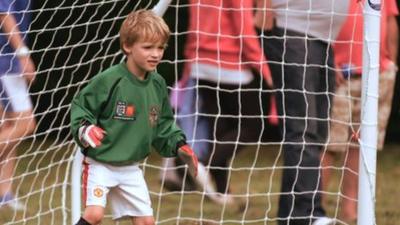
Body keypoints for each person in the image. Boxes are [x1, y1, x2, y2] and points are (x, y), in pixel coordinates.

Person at [70, 10, 198, 225]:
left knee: (146, 221)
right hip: (100, 163)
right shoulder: (110, 80)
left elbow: (164, 124)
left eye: (160, 48)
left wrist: (179, 144)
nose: (156, 54)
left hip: (131, 168)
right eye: (148, 47)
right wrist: (85, 129)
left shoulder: (157, 84)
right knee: (94, 215)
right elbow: (82, 106)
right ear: (128, 46)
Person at [161, 0, 274, 206]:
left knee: (219, 130)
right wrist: (266, 72)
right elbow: (244, 30)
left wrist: (189, 65)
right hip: (229, 64)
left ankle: (221, 191)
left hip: (200, 64)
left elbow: (194, 26)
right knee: (252, 127)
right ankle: (200, 164)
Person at [254, 0, 349, 224]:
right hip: (292, 29)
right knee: (302, 128)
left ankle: (294, 215)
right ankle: (306, 214)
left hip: (323, 39)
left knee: (318, 131)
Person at [321, 0, 399, 223]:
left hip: (376, 75)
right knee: (330, 144)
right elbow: (320, 20)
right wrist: (328, 60)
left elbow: (390, 19)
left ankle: (350, 210)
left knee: (362, 144)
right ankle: (315, 209)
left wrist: (390, 63)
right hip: (340, 75)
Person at [0, 0, 36, 210]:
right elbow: (3, 12)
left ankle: (4, 194)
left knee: (7, 126)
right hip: (7, 61)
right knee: (26, 124)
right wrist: (22, 54)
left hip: (7, 58)